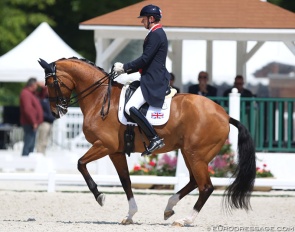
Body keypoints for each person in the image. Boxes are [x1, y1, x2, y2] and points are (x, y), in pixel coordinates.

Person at [113, 4, 169, 156]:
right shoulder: (156, 33)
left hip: (153, 80)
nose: (141, 22)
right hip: (149, 76)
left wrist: (124, 67)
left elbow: (145, 59)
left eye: (143, 19)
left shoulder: (156, 34)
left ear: (151, 19)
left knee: (129, 107)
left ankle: (154, 138)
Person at [19, 78, 43, 156]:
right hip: (29, 122)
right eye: (36, 85)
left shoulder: (32, 93)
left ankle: (28, 161)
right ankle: (25, 161)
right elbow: (28, 109)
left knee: (31, 144)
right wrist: (34, 121)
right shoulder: (26, 93)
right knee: (28, 143)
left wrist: (43, 87)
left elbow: (44, 95)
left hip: (32, 122)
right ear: (32, 85)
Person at [35, 87, 55, 154]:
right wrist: (49, 117)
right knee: (41, 139)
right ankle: (39, 153)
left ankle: (43, 153)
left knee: (46, 140)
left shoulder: (50, 100)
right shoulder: (41, 99)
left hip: (50, 122)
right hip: (44, 122)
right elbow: (40, 112)